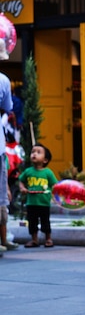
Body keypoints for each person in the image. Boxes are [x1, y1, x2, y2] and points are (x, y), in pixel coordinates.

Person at [19, 143, 58, 248]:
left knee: (45, 222)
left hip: (44, 203)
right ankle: (34, 240)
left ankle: (48, 238)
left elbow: (54, 185)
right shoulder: (28, 171)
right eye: (33, 152)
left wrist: (55, 196)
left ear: (45, 160)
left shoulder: (48, 173)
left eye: (38, 152)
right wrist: (22, 188)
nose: (34, 154)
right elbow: (21, 181)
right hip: (31, 202)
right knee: (32, 222)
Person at [0, 69, 14, 256]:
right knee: (0, 195)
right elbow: (7, 107)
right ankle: (2, 239)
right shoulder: (2, 80)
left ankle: (3, 239)